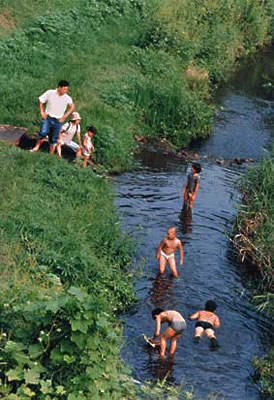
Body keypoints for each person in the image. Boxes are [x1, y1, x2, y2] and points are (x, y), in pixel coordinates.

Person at [30, 80, 75, 154]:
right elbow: (40, 100)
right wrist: (42, 111)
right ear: (59, 87)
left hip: (58, 121)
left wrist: (64, 116)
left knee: (54, 138)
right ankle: (36, 147)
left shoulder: (67, 98)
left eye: (66, 89)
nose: (65, 91)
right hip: (48, 118)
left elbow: (72, 107)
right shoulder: (50, 93)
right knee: (43, 133)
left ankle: (50, 154)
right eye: (64, 89)